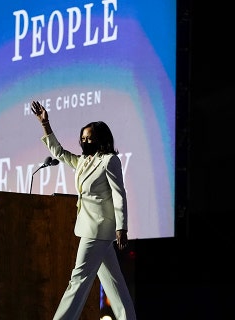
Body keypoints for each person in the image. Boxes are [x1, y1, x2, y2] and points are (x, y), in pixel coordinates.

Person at [31, 100, 137, 320]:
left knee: (78, 279)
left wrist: (122, 228)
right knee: (114, 283)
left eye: (90, 138)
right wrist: (45, 124)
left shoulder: (109, 161)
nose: (85, 141)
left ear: (100, 139)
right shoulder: (81, 162)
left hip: (98, 229)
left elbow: (119, 194)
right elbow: (59, 152)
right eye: (83, 138)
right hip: (91, 227)